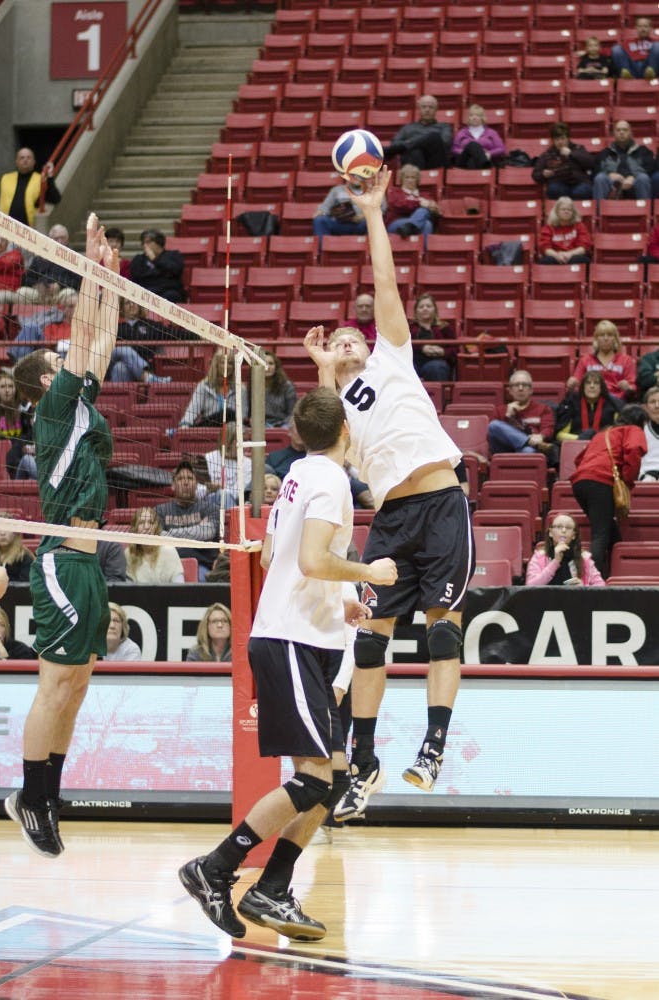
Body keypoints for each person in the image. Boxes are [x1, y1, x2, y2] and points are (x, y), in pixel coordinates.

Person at [178, 386, 396, 940]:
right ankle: (215, 869)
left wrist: (334, 600)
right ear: (346, 431)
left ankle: (273, 890)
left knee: (332, 778)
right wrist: (368, 575)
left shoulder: (298, 474)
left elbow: (277, 558)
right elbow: (312, 559)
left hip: (305, 635)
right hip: (292, 642)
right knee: (315, 780)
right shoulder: (330, 481)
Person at [304, 166, 474, 820]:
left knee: (441, 629)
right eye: (337, 339)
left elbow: (382, 283)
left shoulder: (391, 357)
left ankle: (433, 745)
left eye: (353, 336)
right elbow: (323, 454)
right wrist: (323, 377)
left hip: (440, 503)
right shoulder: (336, 409)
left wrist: (372, 211)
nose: (348, 341)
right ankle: (364, 760)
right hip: (392, 520)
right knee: (371, 638)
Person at [7, 213, 119, 857]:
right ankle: (29, 794)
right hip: (59, 561)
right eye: (56, 364)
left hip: (89, 560)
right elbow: (84, 339)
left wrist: (106, 274)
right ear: (45, 384)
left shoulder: (77, 403)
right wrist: (85, 263)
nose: (67, 364)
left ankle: (48, 793)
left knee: (77, 685)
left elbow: (97, 343)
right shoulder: (53, 409)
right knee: (56, 684)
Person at [571, 405, 648, 577]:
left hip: (580, 483)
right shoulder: (633, 429)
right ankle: (592, 582)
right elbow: (634, 450)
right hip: (601, 481)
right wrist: (627, 481)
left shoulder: (603, 434)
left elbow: (579, 459)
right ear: (642, 422)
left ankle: (618, 574)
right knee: (600, 534)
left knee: (609, 531)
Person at [155, 460, 225, 582]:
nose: (186, 482)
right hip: (168, 565)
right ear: (173, 485)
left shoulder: (211, 508)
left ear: (197, 484)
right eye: (181, 479)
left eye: (190, 478)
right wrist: (197, 530)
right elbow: (157, 537)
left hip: (201, 565)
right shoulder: (160, 510)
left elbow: (207, 533)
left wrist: (169, 533)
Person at [525, 514, 605, 587]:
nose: (563, 530)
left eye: (568, 528)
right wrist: (555, 562)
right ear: (550, 533)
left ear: (574, 535)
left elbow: (601, 588)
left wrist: (583, 588)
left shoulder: (584, 558)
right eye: (559, 527)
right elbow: (530, 586)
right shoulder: (539, 557)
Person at [487, 371, 556, 456]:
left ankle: (528, 444)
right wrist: (507, 416)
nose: (520, 388)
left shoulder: (543, 409)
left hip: (528, 450)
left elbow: (548, 428)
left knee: (529, 451)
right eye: (516, 385)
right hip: (502, 450)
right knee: (493, 425)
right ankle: (528, 441)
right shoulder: (499, 410)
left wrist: (541, 436)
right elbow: (491, 435)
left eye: (525, 385)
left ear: (531, 390)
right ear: (510, 391)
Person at [179, 348, 249, 428]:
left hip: (231, 430)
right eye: (223, 362)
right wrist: (185, 425)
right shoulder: (204, 386)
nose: (227, 366)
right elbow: (192, 410)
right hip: (209, 428)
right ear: (216, 364)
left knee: (229, 414)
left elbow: (242, 416)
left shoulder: (240, 388)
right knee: (227, 413)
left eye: (230, 363)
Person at [567, 320, 637, 401]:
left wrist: (628, 387)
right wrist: (572, 384)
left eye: (610, 335)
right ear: (596, 339)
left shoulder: (626, 360)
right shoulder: (585, 360)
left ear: (615, 339)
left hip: (617, 402)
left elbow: (633, 387)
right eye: (602, 335)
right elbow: (576, 384)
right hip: (590, 401)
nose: (606, 338)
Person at [383, 94, 452, 170]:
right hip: (413, 165)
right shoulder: (408, 128)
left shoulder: (444, 127)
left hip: (435, 164)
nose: (427, 110)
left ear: (436, 110)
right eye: (424, 107)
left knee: (434, 136)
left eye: (431, 107)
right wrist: (418, 144)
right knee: (415, 151)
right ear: (419, 109)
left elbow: (445, 142)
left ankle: (406, 146)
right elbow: (395, 144)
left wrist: (418, 141)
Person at [0, 147, 61, 227]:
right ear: (16, 162)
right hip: (5, 228)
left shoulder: (41, 180)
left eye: (28, 157)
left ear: (34, 161)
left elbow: (55, 199)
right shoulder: (5, 178)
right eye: (22, 158)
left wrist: (50, 178)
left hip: (29, 229)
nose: (25, 160)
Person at [592, 121, 654, 201]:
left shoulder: (643, 151)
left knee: (643, 178)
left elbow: (651, 168)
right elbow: (595, 171)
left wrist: (633, 177)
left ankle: (645, 211)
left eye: (625, 130)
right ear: (613, 133)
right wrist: (609, 175)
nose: (621, 132)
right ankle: (599, 212)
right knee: (600, 178)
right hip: (612, 185)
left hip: (635, 183)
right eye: (618, 130)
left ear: (631, 133)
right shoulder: (605, 152)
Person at [531, 123, 595, 200]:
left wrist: (571, 154)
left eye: (562, 138)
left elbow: (591, 163)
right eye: (557, 139)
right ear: (553, 140)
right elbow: (535, 174)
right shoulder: (547, 154)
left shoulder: (578, 148)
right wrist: (543, 174)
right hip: (559, 184)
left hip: (579, 183)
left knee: (583, 190)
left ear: (568, 139)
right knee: (554, 189)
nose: (560, 142)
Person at [19, 224, 81, 300]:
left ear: (68, 239)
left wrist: (60, 285)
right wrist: (37, 285)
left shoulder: (74, 258)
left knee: (69, 293)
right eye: (56, 238)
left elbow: (78, 282)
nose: (59, 241)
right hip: (40, 293)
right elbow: (27, 279)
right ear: (50, 240)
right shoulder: (40, 258)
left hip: (61, 293)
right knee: (22, 292)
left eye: (62, 238)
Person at [556, 372, 622, 442]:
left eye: (596, 383)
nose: (592, 386)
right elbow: (560, 435)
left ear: (601, 387)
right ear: (583, 387)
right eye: (588, 383)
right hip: (575, 446)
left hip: (604, 446)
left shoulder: (612, 405)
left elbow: (618, 435)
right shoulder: (571, 403)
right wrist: (581, 439)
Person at [125, 506, 184, 583]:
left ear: (156, 528)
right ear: (134, 528)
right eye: (141, 523)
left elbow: (180, 589)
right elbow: (128, 590)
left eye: (151, 522)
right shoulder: (128, 553)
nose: (146, 527)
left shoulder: (170, 551)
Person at [409, 293, 457, 383]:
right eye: (421, 307)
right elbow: (402, 347)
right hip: (414, 361)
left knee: (436, 367)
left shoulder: (445, 327)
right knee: (406, 367)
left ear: (435, 310)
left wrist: (442, 352)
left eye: (428, 306)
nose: (425, 308)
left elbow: (454, 349)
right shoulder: (409, 328)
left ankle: (440, 396)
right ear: (416, 311)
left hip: (437, 361)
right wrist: (422, 348)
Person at [385, 163, 440, 239]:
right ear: (402, 179)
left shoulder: (425, 195)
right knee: (423, 210)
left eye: (413, 177)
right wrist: (419, 202)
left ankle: (410, 227)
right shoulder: (395, 192)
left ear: (417, 179)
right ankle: (411, 225)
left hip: (412, 226)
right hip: (396, 223)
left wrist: (432, 207)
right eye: (407, 177)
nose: (410, 180)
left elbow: (434, 209)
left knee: (427, 222)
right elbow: (401, 205)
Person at [129, 228, 185, 302]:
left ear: (159, 243)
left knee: (171, 295)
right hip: (146, 292)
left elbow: (175, 270)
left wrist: (155, 260)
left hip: (168, 292)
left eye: (148, 242)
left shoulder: (173, 255)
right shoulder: (139, 259)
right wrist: (161, 273)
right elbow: (136, 276)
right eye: (143, 243)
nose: (145, 246)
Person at [538, 197, 593, 265]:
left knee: (580, 259)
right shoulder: (548, 228)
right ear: (557, 211)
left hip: (573, 256)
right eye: (563, 209)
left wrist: (569, 254)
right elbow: (545, 247)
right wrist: (557, 255)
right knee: (547, 260)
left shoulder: (580, 226)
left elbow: (584, 247)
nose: (566, 211)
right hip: (556, 256)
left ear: (573, 212)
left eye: (569, 210)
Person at [204, 421, 252, 497]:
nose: (245, 445)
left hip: (232, 504)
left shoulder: (248, 464)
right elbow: (198, 489)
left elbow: (238, 493)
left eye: (246, 440)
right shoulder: (208, 458)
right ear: (228, 441)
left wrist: (218, 489)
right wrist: (208, 489)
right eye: (242, 440)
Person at [451, 104, 506, 169]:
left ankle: (482, 165)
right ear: (468, 117)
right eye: (471, 115)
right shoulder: (461, 132)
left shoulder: (492, 132)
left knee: (472, 160)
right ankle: (485, 165)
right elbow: (454, 148)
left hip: (481, 161)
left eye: (477, 115)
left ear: (482, 117)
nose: (474, 118)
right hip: (464, 161)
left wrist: (489, 153)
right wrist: (462, 151)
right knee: (472, 145)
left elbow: (501, 149)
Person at [263, 350, 297, 427]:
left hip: (283, 423)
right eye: (264, 363)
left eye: (271, 363)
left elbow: (292, 414)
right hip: (261, 424)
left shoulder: (287, 386)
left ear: (276, 367)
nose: (267, 367)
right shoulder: (253, 386)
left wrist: (278, 426)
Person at [639, 386, 659, 480]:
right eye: (652, 402)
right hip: (647, 475)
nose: (657, 405)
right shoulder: (640, 431)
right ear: (645, 408)